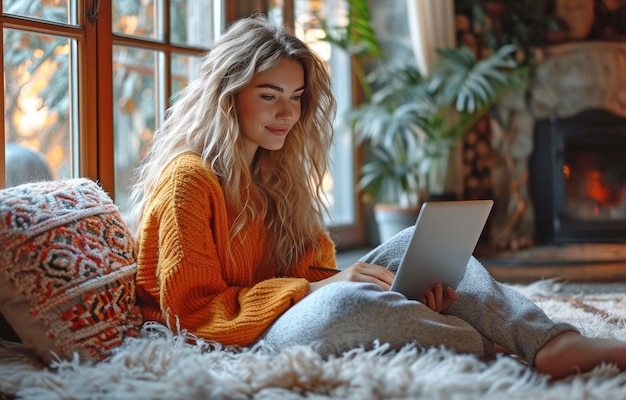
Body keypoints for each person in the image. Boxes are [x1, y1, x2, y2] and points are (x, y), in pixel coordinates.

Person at [129, 14, 626, 380]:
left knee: (413, 245)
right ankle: (484, 343)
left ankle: (553, 342)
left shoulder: (274, 174)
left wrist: (334, 285)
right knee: (344, 303)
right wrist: (318, 291)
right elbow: (190, 314)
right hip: (239, 337)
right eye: (269, 94)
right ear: (228, 94)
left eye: (297, 96)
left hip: (286, 312)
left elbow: (311, 271)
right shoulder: (188, 181)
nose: (288, 112)